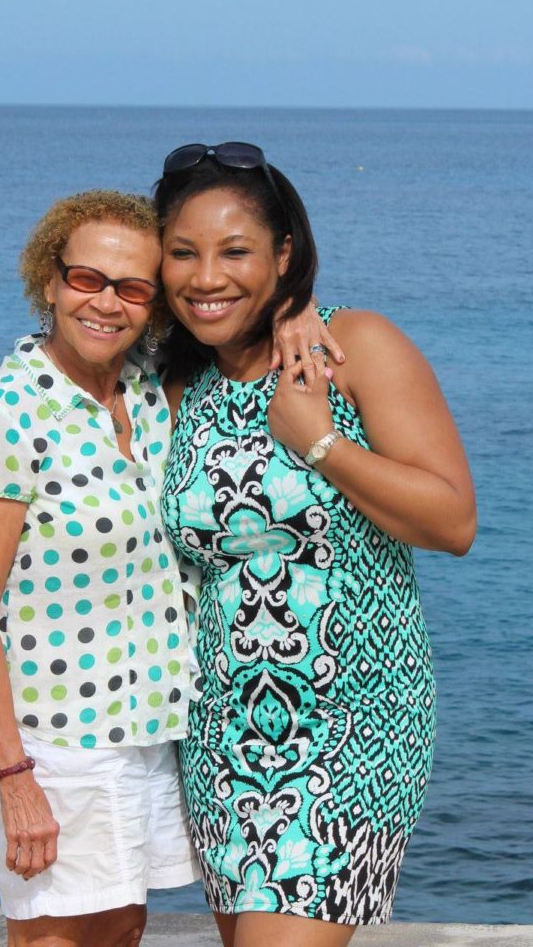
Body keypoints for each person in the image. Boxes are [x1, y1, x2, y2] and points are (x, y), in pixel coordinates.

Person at [0, 188, 339, 947]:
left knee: (120, 927)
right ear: (49, 280)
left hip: (149, 727)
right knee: (56, 935)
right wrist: (15, 778)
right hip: (54, 741)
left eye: (132, 288)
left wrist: (297, 307)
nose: (105, 304)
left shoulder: (146, 389)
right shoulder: (8, 415)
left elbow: (231, 310)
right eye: (86, 279)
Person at [154, 143, 477, 947]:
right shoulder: (174, 386)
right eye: (183, 253)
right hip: (224, 729)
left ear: (284, 255)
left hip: (353, 725)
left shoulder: (350, 347)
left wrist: (320, 442)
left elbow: (452, 521)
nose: (207, 277)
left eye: (237, 252)